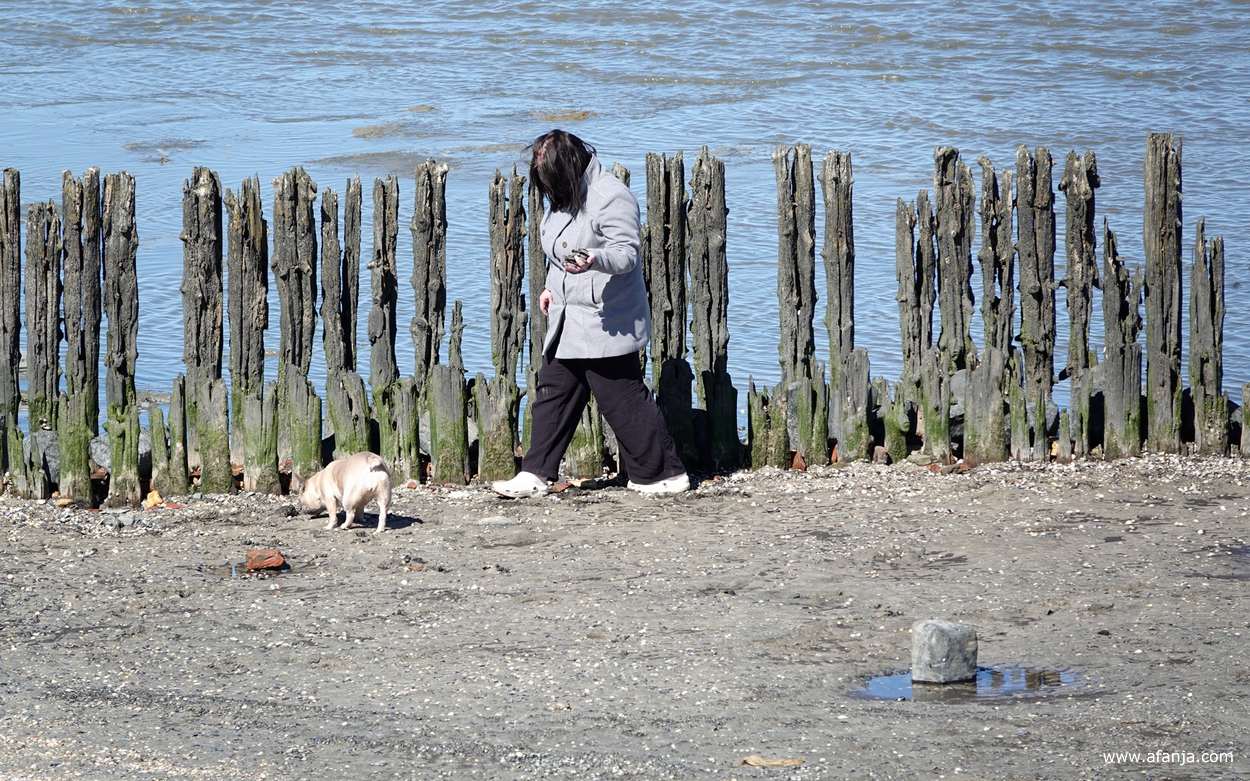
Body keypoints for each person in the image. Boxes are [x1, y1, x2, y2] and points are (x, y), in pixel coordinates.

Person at [492, 130, 689, 498]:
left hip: (606, 318)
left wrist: (596, 258)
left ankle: (665, 473)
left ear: (567, 167)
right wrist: (550, 287)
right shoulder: (565, 195)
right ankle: (534, 474)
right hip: (569, 316)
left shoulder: (610, 195)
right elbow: (558, 252)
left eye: (549, 179)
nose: (547, 189)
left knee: (622, 397)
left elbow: (627, 253)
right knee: (553, 392)